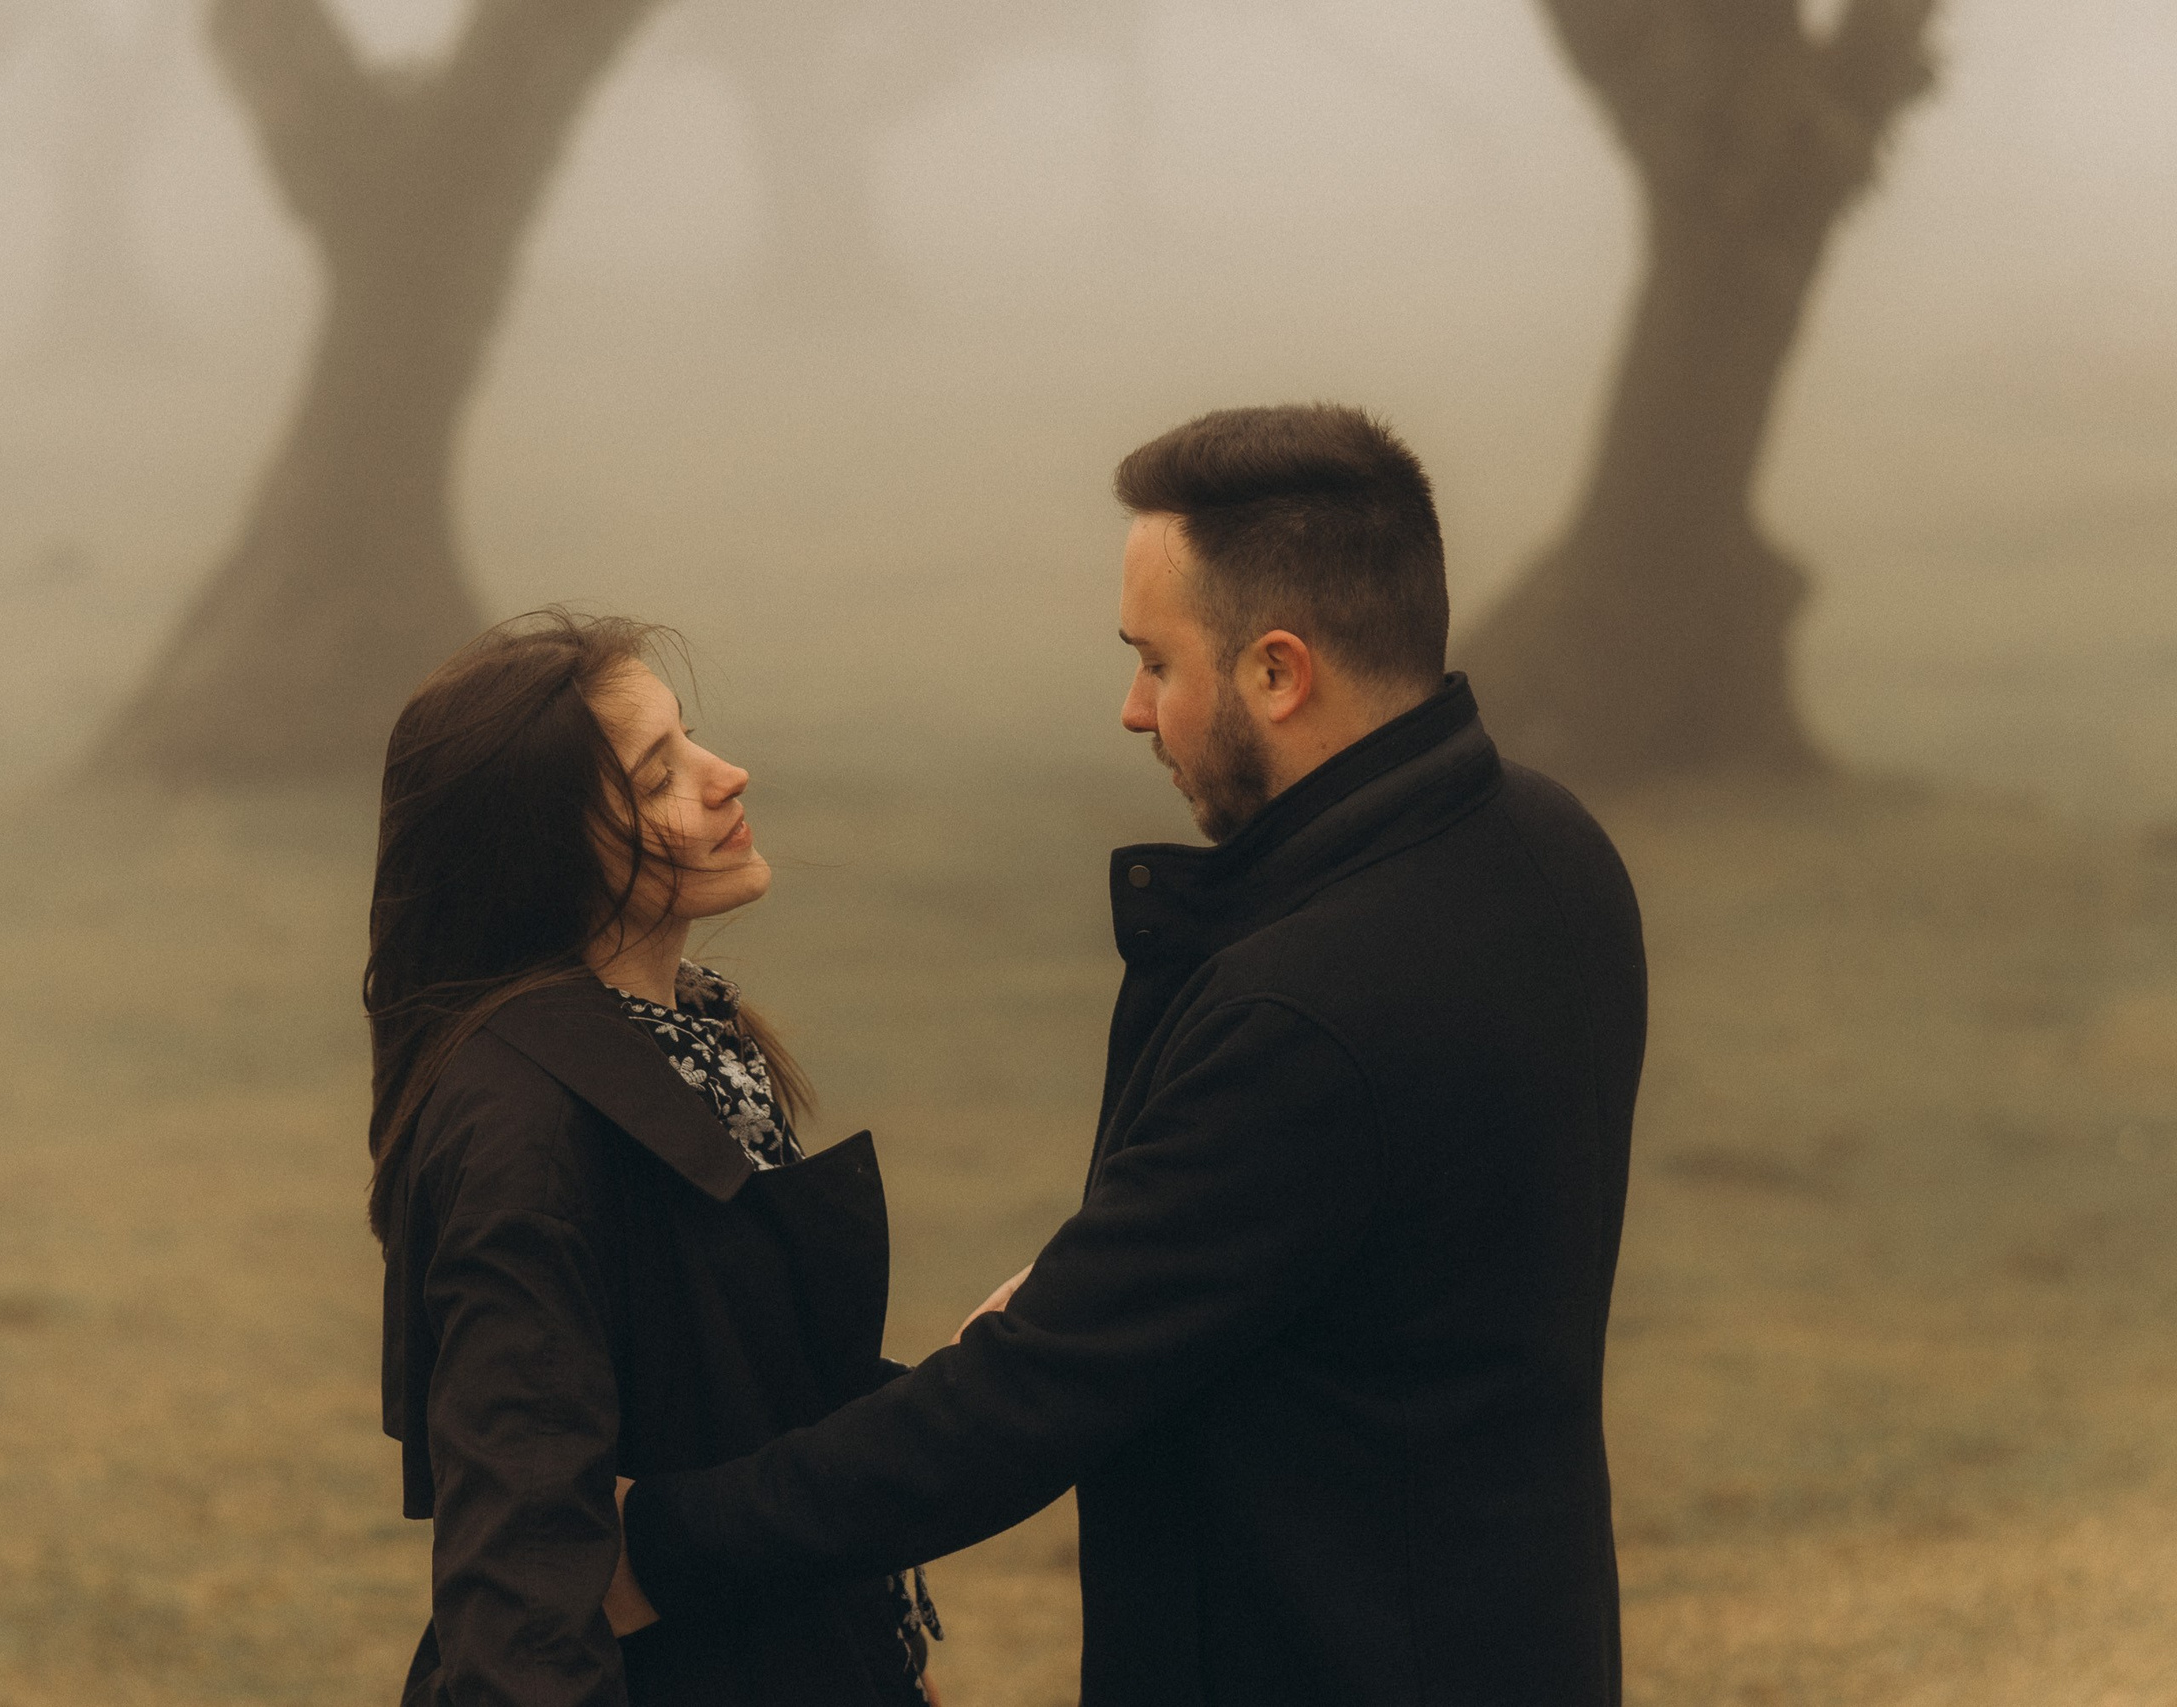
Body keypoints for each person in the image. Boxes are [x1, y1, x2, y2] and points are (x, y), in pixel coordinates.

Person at [615, 404, 1649, 1705]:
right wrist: (1125, 1270)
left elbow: (1026, 1402)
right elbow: (1383, 1236)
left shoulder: (1304, 1012)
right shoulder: (1551, 847)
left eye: (1156, 663)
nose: (1132, 709)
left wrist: (656, 1545)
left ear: (1277, 672)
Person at [367, 612, 940, 1707]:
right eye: (657, 776)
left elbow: (743, 1404)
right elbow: (526, 1566)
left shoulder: (689, 1041)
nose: (727, 777)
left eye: (691, 738)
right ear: (541, 852)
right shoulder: (521, 1125)